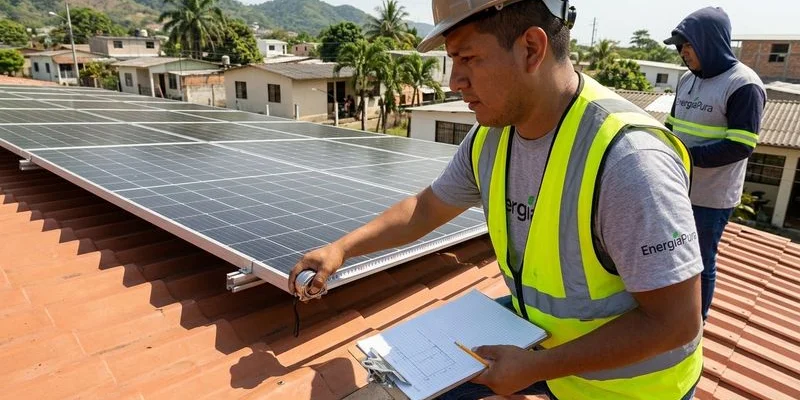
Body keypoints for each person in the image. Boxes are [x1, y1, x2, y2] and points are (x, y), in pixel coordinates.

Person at [290, 0, 703, 398]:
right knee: (403, 380)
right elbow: (426, 208)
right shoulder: (492, 137)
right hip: (543, 342)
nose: (454, 82)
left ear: (531, 49)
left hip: (631, 390)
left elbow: (674, 323)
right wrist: (342, 249)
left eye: (468, 58)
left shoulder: (629, 162)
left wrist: (536, 368)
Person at [663, 7, 766, 322]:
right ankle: (669, 314)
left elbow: (740, 145)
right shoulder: (685, 80)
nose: (683, 54)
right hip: (677, 187)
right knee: (670, 256)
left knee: (700, 261)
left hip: (711, 198)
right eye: (680, 48)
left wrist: (684, 157)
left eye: (688, 46)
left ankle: (697, 322)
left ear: (709, 42)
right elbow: (671, 127)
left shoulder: (743, 85)